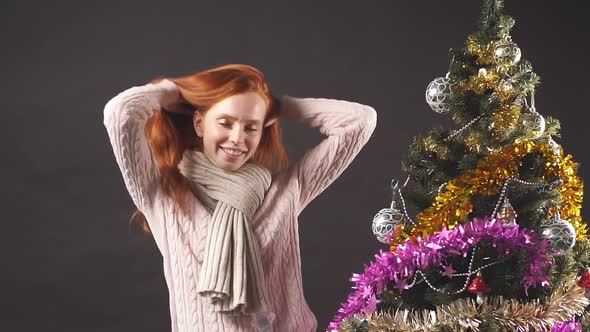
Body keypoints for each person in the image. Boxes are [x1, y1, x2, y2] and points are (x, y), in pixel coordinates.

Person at [103, 64, 377, 332]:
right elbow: (120, 113)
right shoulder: (165, 196)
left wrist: (280, 106)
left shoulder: (285, 191)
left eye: (250, 127)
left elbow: (359, 121)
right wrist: (174, 92)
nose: (237, 138)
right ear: (199, 123)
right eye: (225, 122)